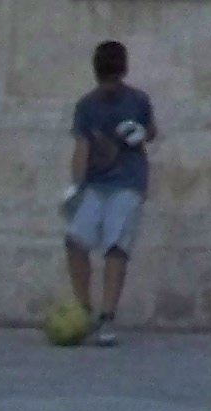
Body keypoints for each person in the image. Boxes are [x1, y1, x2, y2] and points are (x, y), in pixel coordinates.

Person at [62, 38, 158, 347]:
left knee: (116, 246)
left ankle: (108, 317)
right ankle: (84, 308)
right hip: (95, 184)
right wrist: (75, 188)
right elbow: (82, 147)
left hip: (128, 183)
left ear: (124, 73)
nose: (111, 85)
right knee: (75, 241)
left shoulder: (138, 100)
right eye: (106, 79)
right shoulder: (86, 106)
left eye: (115, 78)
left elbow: (152, 131)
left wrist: (143, 133)